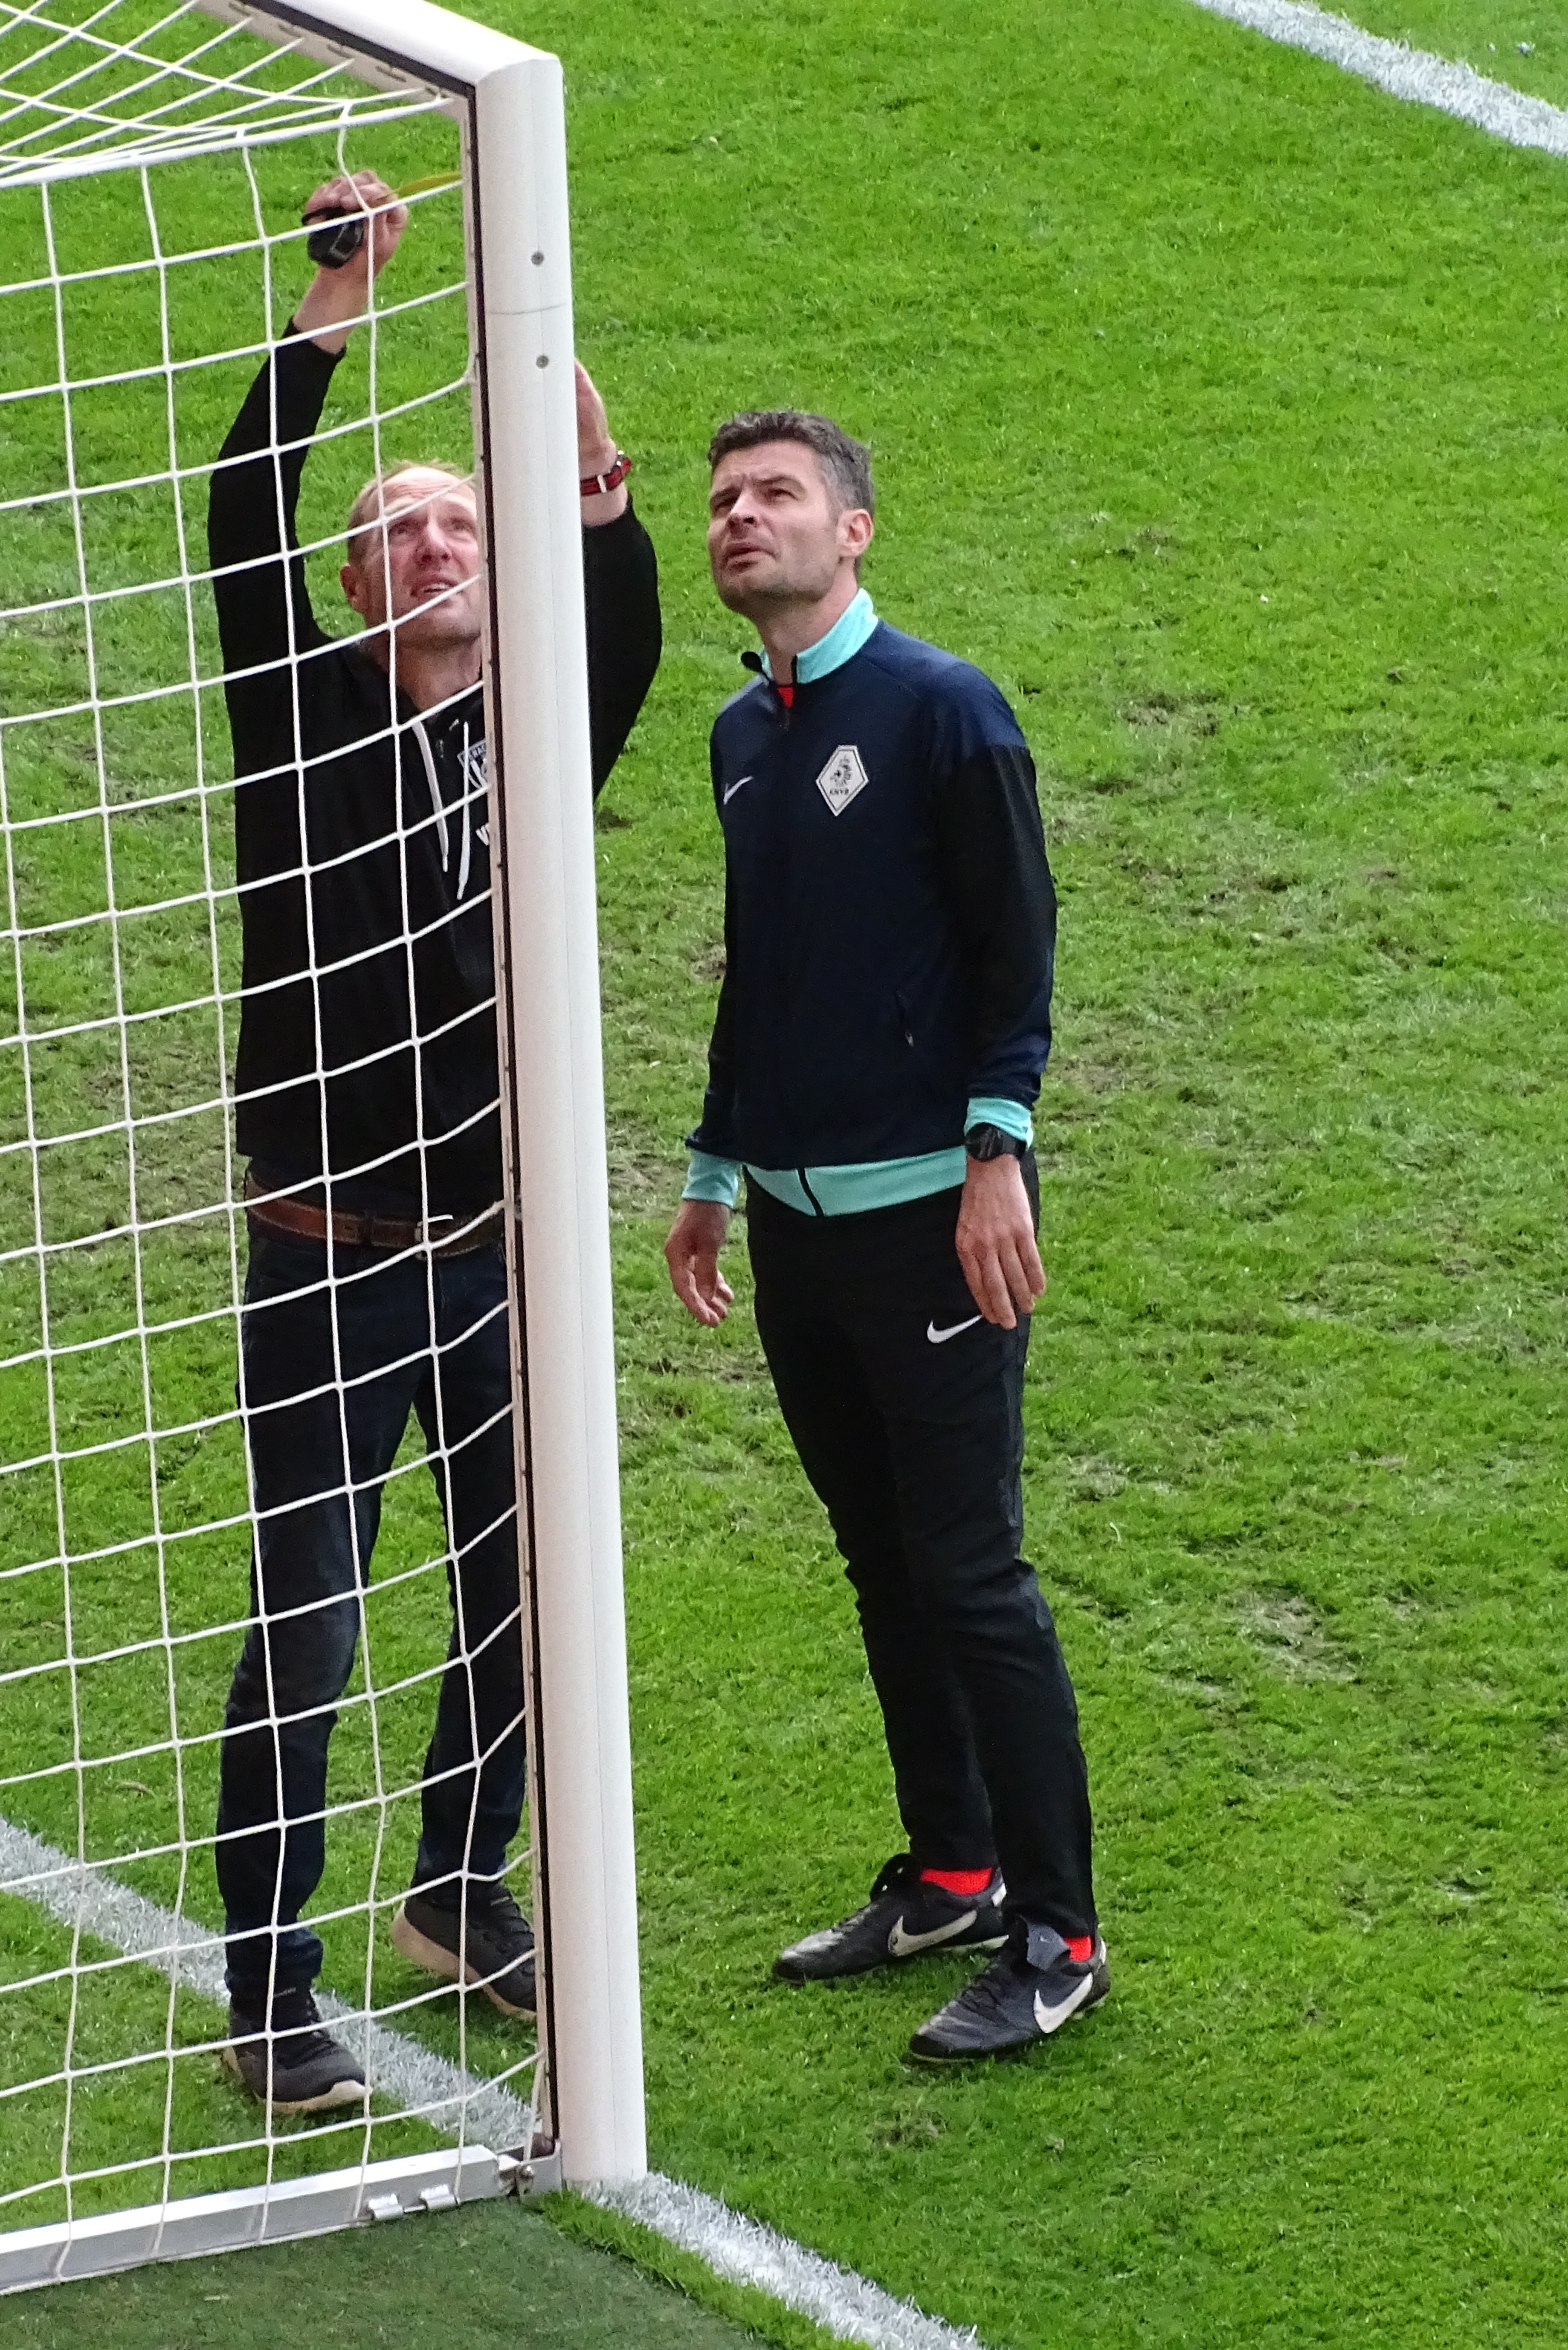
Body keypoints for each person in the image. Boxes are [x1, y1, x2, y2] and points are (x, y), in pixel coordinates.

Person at [205, 172, 660, 2111]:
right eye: (391, 528)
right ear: (359, 582)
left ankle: (457, 1892)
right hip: (323, 1251)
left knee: (521, 1596)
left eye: (455, 516)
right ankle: (268, 1992)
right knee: (311, 1619)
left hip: (501, 1244)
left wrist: (536, 347)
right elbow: (238, 528)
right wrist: (340, 301)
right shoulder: (298, 710)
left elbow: (622, 589)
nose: (421, 542)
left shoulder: (545, 724)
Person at [662, 410, 1104, 2061]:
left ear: (855, 531)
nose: (738, 518)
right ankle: (954, 1868)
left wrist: (999, 1148)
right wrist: (715, 1167)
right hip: (793, 1224)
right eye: (721, 500)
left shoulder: (944, 712)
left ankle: (1059, 1936)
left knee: (973, 1572)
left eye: (775, 495)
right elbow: (762, 973)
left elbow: (1019, 955)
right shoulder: (740, 735)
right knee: (881, 1562)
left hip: (938, 1220)